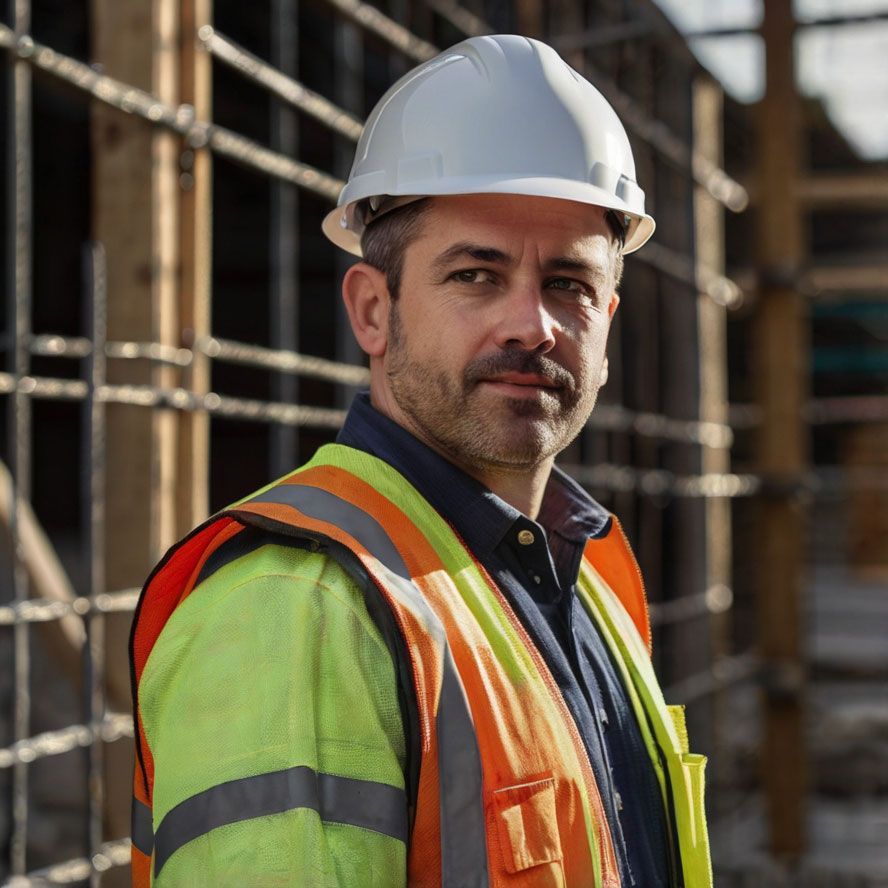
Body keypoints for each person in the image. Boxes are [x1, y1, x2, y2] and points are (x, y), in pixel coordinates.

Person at [129, 34, 712, 888]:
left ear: (607, 323)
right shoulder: (296, 609)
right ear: (373, 310)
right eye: (477, 274)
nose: (533, 325)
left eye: (569, 284)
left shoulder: (589, 583)